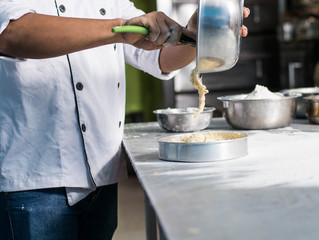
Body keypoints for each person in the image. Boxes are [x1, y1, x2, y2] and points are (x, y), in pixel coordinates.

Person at [0, 1, 250, 239]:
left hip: (100, 172)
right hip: (34, 178)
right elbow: (12, 33)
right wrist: (119, 30)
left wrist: (195, 36)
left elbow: (159, 58)